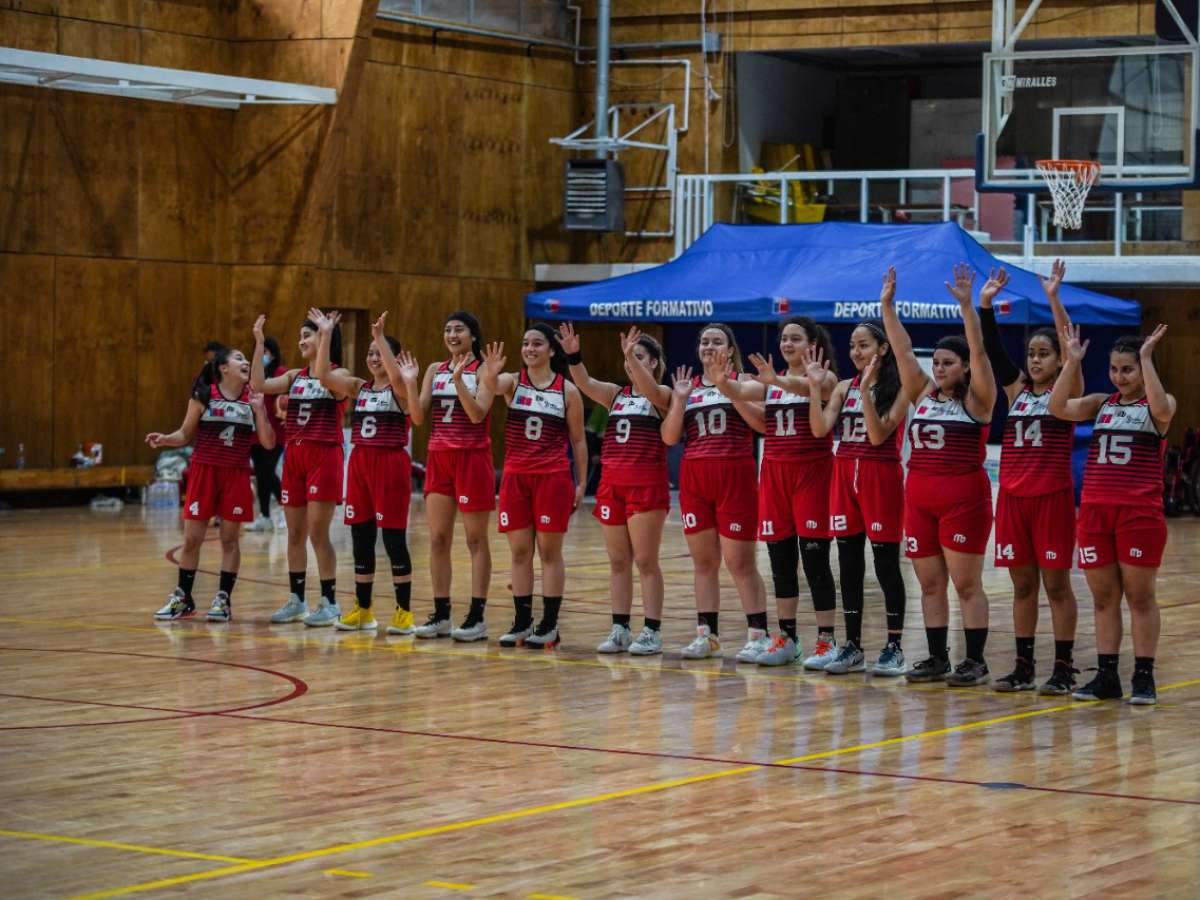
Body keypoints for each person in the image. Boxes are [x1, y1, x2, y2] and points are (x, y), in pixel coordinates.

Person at [883, 264, 997, 687]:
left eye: (949, 363)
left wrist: (969, 307)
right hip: (920, 499)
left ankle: (977, 660)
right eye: (939, 363)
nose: (941, 369)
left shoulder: (980, 400)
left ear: (965, 368)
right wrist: (887, 307)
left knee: (966, 584)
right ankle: (936, 657)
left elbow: (981, 353)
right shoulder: (924, 393)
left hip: (963, 498)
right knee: (929, 585)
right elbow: (902, 352)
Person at [1050, 324, 1174, 705]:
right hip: (1094, 513)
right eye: (1115, 369)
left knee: (1139, 596)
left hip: (1139, 514)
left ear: (1142, 370)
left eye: (1128, 369)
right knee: (1104, 599)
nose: (1120, 377)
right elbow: (1057, 408)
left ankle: (1143, 676)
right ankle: (1107, 676)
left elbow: (1161, 410)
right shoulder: (1101, 403)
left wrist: (1148, 358)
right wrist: (1071, 363)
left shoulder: (1159, 402)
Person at [706, 319, 840, 668]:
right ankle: (788, 638)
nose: (788, 343)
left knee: (815, 561)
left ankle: (827, 639)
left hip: (812, 473)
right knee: (781, 561)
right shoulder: (772, 381)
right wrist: (725, 385)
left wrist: (772, 381)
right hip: (776, 473)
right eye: (784, 338)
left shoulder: (824, 378)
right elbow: (757, 413)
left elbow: (802, 385)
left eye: (796, 338)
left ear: (813, 342)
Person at [980, 261, 1081, 695]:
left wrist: (1054, 299)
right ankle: (1023, 665)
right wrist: (984, 304)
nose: (1036, 359)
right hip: (1014, 499)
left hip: (1052, 497)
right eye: (1032, 354)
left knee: (1056, 585)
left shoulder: (1067, 392)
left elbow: (1068, 340)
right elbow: (991, 349)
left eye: (1044, 354)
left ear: (1059, 360)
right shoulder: (1016, 392)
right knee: (1023, 585)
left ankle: (1062, 666)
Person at [304, 310, 423, 633]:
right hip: (359, 464)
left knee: (394, 538)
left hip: (390, 463)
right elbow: (323, 376)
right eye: (370, 353)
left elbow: (399, 379)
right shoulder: (360, 387)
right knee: (361, 537)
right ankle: (363, 609)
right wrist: (326, 333)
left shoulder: (400, 389)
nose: (373, 358)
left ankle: (404, 612)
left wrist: (380, 338)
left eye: (379, 353)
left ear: (393, 358)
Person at [804, 312, 909, 675]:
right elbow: (820, 430)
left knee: (884, 563)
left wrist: (865, 392)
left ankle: (894, 645)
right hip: (844, 472)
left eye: (863, 345)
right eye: (852, 346)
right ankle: (852, 645)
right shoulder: (842, 386)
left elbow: (879, 435)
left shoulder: (900, 387)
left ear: (883, 348)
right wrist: (817, 389)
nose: (856, 352)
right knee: (848, 563)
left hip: (880, 473)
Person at [557, 322, 672, 656]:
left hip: (646, 486)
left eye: (638, 357)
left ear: (652, 362)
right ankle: (620, 628)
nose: (629, 362)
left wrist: (631, 360)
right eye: (628, 358)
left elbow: (651, 391)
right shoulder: (616, 394)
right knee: (618, 561)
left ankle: (652, 630)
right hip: (612, 485)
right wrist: (574, 356)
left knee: (646, 561)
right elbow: (584, 383)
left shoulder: (662, 396)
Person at [661, 324, 769, 661]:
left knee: (740, 562)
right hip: (695, 477)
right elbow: (668, 438)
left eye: (717, 341)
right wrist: (678, 401)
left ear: (731, 349)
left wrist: (729, 388)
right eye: (705, 341)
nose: (709, 346)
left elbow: (763, 425)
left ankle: (758, 635)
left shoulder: (748, 381)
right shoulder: (687, 387)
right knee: (703, 562)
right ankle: (707, 636)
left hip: (734, 474)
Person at [480, 325, 588, 648]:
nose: (530, 348)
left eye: (537, 344)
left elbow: (579, 440)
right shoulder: (513, 382)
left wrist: (582, 482)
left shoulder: (567, 391)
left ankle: (550, 624)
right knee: (520, 552)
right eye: (525, 343)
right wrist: (491, 371)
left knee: (549, 553)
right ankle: (522, 622)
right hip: (516, 476)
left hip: (553, 477)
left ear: (551, 351)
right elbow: (492, 385)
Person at [149, 346, 275, 621]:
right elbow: (184, 433)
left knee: (230, 540)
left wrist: (261, 410)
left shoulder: (251, 399)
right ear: (223, 368)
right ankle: (183, 597)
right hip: (204, 471)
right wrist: (165, 439)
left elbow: (268, 442)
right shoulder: (205, 394)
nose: (245, 362)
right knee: (192, 538)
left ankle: (223, 599)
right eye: (239, 358)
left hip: (236, 473)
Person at [251, 311, 348, 626]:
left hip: (324, 455)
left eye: (308, 334)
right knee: (295, 533)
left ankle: (330, 602)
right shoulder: (294, 376)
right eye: (301, 335)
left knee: (319, 533)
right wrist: (258, 344)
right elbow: (259, 383)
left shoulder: (338, 374)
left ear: (323, 338)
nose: (301, 341)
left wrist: (327, 334)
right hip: (294, 455)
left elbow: (323, 376)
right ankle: (296, 599)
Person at [415, 311, 495, 641]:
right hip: (439, 457)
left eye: (458, 329)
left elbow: (477, 414)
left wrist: (460, 382)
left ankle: (476, 616)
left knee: (475, 539)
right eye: (447, 329)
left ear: (473, 336)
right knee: (437, 539)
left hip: (472, 456)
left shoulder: (486, 369)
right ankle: (441, 614)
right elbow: (418, 417)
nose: (451, 334)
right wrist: (408, 379)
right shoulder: (435, 370)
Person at [246, 336, 286, 532]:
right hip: (254, 433)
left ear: (273, 353)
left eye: (265, 352)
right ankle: (264, 516)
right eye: (259, 352)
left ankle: (285, 506)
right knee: (261, 474)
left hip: (276, 433)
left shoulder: (281, 373)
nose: (262, 356)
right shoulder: (251, 375)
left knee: (267, 472)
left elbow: (285, 402)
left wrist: (283, 407)